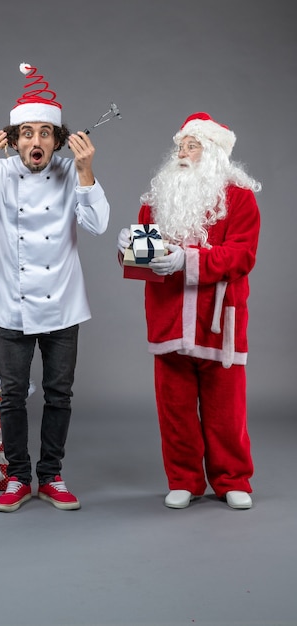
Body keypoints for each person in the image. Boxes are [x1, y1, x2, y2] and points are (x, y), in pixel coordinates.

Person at [0, 62, 110, 512]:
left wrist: (85, 170)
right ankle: (19, 478)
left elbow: (97, 224)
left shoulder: (70, 170)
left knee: (60, 394)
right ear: (13, 139)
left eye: (44, 133)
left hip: (62, 304)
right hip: (9, 303)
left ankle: (52, 476)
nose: (34, 142)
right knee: (13, 394)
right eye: (26, 133)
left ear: (57, 141)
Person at [117, 112, 261, 510]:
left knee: (225, 409)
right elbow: (141, 261)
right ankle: (183, 479)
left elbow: (241, 256)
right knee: (175, 408)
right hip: (169, 319)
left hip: (219, 321)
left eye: (192, 146)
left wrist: (188, 260)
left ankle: (232, 479)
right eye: (180, 146)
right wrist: (128, 245)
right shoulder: (159, 198)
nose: (182, 153)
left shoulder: (240, 199)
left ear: (213, 152)